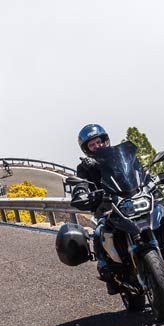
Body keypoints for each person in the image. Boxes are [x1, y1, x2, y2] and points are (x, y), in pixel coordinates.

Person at [72, 124, 115, 292]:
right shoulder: (83, 167)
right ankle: (105, 268)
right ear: (86, 149)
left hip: (126, 201)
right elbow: (81, 183)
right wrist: (81, 192)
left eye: (98, 142)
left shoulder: (116, 156)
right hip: (104, 207)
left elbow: (133, 170)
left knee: (157, 213)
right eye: (92, 144)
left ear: (105, 141)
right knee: (99, 232)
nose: (97, 146)